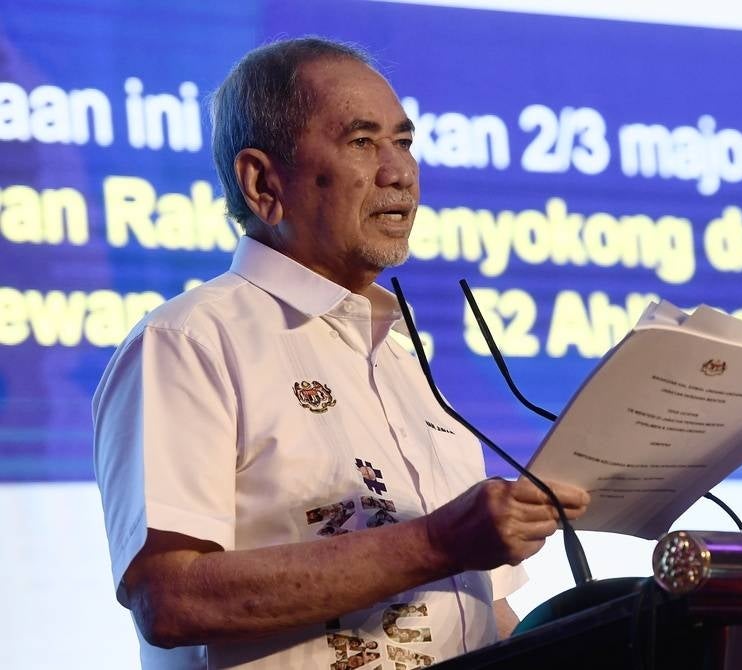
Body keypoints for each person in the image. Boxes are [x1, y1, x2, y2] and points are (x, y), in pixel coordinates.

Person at [92, 37, 589, 669]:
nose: (400, 172)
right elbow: (169, 598)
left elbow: (479, 610)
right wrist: (436, 543)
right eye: (362, 142)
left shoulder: (404, 358)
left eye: (404, 142)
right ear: (262, 182)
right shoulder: (190, 341)